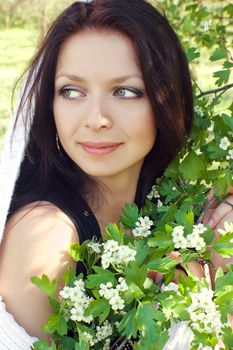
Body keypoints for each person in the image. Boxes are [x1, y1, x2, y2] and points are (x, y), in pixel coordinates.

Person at [0, 0, 232, 349]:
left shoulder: (169, 195)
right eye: (71, 91)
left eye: (125, 91)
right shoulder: (46, 241)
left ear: (167, 102)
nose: (96, 119)